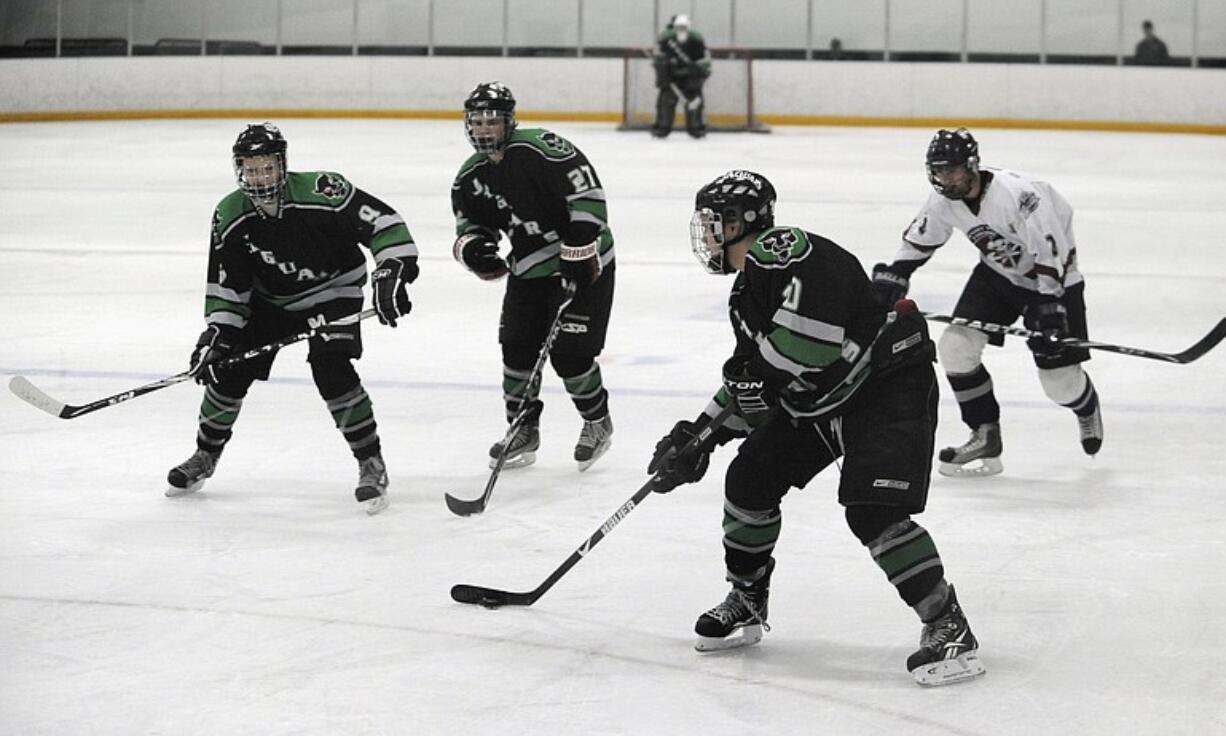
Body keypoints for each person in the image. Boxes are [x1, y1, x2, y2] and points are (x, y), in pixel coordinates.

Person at [649, 169, 984, 686]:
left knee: (873, 511)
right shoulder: (746, 296)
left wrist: (757, 383)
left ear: (745, 222)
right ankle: (747, 598)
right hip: (824, 398)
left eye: (716, 222)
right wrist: (701, 433)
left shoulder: (783, 251)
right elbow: (752, 379)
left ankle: (947, 622)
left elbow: (813, 345)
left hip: (885, 386)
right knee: (749, 480)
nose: (709, 234)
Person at [165, 122, 419, 515]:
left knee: (331, 367)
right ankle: (205, 455)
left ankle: (370, 462)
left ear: (282, 165)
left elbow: (385, 224)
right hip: (273, 302)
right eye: (250, 168)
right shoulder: (229, 213)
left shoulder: (324, 190)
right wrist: (217, 335)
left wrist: (390, 271)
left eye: (267, 167)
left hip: (334, 294)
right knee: (228, 370)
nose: (259, 177)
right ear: (239, 170)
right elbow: (229, 287)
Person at [872, 128, 1103, 478]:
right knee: (954, 348)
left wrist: (1049, 301)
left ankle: (1085, 407)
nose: (945, 179)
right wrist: (894, 276)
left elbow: (1053, 249)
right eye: (939, 171)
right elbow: (920, 241)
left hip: (1055, 281)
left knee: (1059, 383)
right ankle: (985, 433)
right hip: (997, 277)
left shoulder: (1020, 195)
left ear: (972, 166)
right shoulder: (944, 200)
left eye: (952, 170)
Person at [451, 82, 616, 472]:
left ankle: (597, 422)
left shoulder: (543, 150)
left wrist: (577, 248)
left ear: (510, 121)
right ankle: (522, 428)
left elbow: (589, 197)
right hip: (529, 266)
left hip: (587, 261)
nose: (485, 129)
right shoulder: (470, 176)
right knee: (517, 348)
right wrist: (475, 248)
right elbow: (470, 227)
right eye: (477, 121)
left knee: (571, 354)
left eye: (493, 120)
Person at [651, 14, 712, 139]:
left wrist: (697, 72)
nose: (681, 30)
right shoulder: (665, 38)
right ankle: (662, 127)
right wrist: (663, 73)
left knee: (695, 102)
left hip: (691, 78)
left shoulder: (697, 39)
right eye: (679, 27)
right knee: (666, 101)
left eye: (684, 27)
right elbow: (658, 58)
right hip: (672, 77)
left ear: (688, 27)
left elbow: (706, 60)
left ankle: (696, 127)